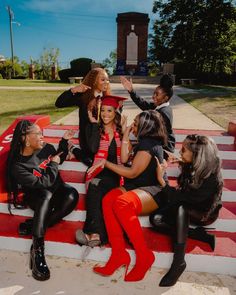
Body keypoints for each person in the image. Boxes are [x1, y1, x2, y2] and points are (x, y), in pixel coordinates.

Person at [90, 110, 168, 281]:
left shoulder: (149, 143)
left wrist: (106, 164)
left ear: (145, 125)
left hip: (155, 189)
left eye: (136, 121)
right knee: (109, 199)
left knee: (122, 203)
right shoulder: (142, 142)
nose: (133, 124)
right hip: (138, 186)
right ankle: (119, 254)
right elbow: (124, 158)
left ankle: (144, 255)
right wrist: (125, 133)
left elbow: (131, 172)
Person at [6, 120, 79, 281]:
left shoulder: (46, 148)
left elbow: (59, 157)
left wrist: (64, 141)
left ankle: (33, 225)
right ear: (25, 139)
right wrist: (53, 165)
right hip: (37, 195)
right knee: (45, 194)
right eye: (38, 134)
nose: (42, 136)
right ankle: (37, 249)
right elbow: (42, 183)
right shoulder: (18, 165)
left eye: (42, 133)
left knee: (72, 194)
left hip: (56, 189)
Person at [150, 134, 223, 286]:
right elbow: (182, 192)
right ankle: (199, 235)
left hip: (204, 213)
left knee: (181, 209)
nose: (180, 152)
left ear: (197, 155)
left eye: (183, 150)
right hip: (187, 202)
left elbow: (180, 198)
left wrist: (161, 181)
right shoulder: (196, 164)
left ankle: (179, 262)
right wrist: (183, 162)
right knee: (155, 219)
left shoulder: (210, 178)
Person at [75, 95, 127, 247]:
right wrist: (91, 124)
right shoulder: (95, 129)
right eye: (102, 110)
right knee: (95, 187)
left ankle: (92, 232)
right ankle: (97, 235)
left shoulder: (121, 131)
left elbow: (125, 158)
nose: (105, 114)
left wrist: (125, 132)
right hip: (98, 171)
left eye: (109, 111)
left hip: (116, 172)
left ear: (115, 112)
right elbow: (92, 149)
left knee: (96, 188)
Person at [55, 67, 110, 166]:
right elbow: (59, 103)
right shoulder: (83, 97)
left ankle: (73, 148)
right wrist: (74, 90)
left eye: (107, 80)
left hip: (102, 138)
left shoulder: (107, 99)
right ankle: (73, 149)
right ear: (93, 81)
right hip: (87, 140)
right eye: (103, 79)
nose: (106, 82)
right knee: (91, 162)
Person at [120, 74, 175, 156]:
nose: (153, 97)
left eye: (157, 94)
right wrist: (131, 91)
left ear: (166, 98)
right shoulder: (160, 106)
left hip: (164, 148)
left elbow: (155, 135)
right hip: (158, 143)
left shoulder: (164, 113)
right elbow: (144, 104)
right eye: (154, 93)